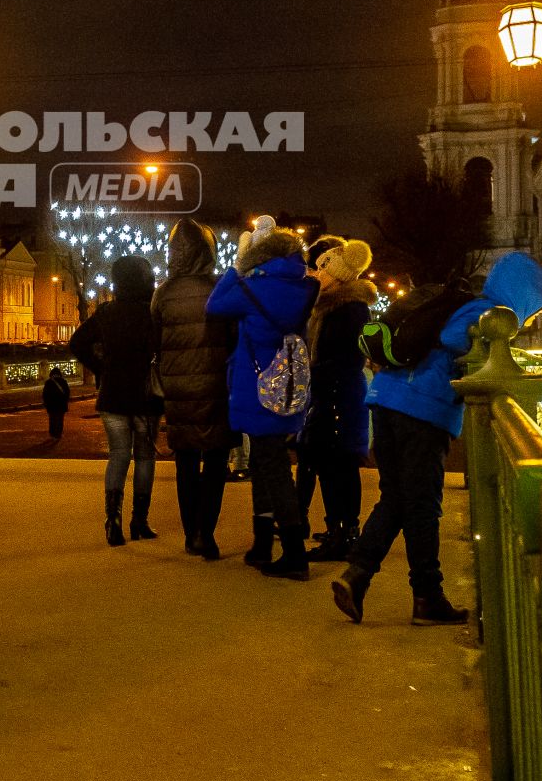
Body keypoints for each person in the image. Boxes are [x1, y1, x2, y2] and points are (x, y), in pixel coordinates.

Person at [333, 250, 542, 626]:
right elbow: (453, 336)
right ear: (523, 295)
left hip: (387, 399)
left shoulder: (468, 303)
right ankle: (426, 598)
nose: (536, 317)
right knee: (422, 505)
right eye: (537, 308)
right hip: (422, 408)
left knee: (398, 498)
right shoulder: (486, 312)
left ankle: (357, 575)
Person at [207, 216, 318, 579]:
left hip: (256, 388)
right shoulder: (304, 286)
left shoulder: (250, 287)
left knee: (271, 467)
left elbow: (215, 305)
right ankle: (262, 544)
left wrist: (237, 265)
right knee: (267, 463)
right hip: (287, 385)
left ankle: (293, 554)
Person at [151, 219, 233, 559]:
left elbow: (154, 341)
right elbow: (233, 336)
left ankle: (190, 534)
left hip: (178, 389)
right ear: (207, 251)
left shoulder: (164, 293)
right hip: (216, 387)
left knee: (185, 461)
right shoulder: (220, 288)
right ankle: (206, 534)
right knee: (215, 461)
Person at [70, 255, 162, 546]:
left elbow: (77, 343)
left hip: (113, 394)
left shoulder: (107, 312)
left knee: (118, 456)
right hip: (146, 397)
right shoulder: (153, 312)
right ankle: (140, 520)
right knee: (145, 458)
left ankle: (113, 520)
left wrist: (101, 369)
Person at [298, 239, 377, 561]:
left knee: (335, 465)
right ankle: (344, 530)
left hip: (336, 395)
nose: (316, 273)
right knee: (337, 464)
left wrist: (313, 380)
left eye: (322, 268)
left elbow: (337, 358)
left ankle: (341, 533)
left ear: (340, 274)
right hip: (336, 393)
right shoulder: (336, 306)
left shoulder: (347, 310)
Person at [42, 365, 72, 441]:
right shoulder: (63, 381)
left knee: (52, 419)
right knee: (60, 419)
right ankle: (58, 434)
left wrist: (46, 403)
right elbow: (67, 393)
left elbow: (45, 394)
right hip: (61, 404)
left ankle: (52, 434)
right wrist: (65, 401)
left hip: (51, 405)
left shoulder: (48, 382)